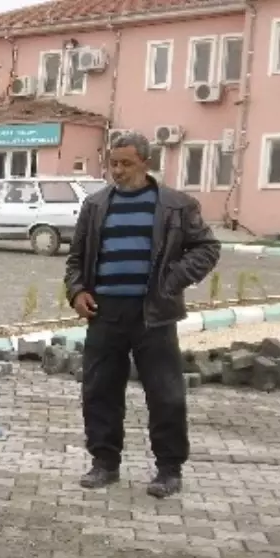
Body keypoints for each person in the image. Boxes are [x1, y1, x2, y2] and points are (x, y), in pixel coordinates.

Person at [64, 131, 220, 499]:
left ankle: (169, 470)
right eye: (113, 163)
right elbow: (75, 260)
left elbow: (207, 248)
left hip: (155, 314)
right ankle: (104, 463)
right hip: (104, 313)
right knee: (99, 391)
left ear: (146, 163)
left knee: (165, 394)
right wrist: (77, 291)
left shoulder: (176, 205)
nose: (117, 171)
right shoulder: (96, 205)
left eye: (126, 164)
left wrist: (170, 280)